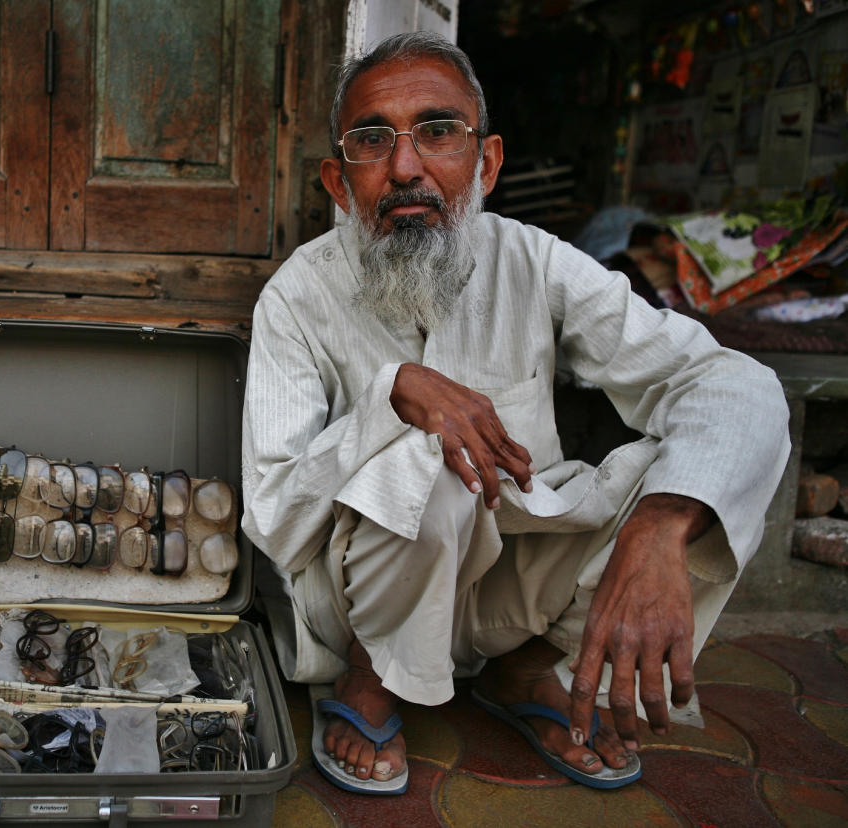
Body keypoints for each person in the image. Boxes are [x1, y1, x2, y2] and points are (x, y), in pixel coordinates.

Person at [241, 31, 789, 794]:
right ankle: (374, 677)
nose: (406, 168)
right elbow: (273, 515)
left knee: (703, 469)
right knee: (424, 460)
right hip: (364, 598)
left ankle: (527, 666)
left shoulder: (536, 263)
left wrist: (664, 523)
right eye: (374, 141)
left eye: (437, 132)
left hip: (512, 596)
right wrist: (389, 399)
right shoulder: (297, 298)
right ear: (340, 181)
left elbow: (732, 381)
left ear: (487, 163)